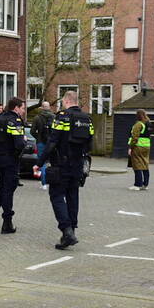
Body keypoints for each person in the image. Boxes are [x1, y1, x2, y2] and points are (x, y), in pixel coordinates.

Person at [37, 90, 94, 249]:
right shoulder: (87, 119)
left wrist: (40, 161)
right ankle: (71, 232)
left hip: (61, 164)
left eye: (62, 102)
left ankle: (66, 230)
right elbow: (90, 145)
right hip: (77, 165)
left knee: (56, 195)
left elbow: (52, 141)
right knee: (72, 196)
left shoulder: (62, 116)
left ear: (67, 101)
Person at [0, 97, 26, 234]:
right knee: (8, 190)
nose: (24, 111)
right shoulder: (14, 121)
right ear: (16, 108)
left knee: (2, 188)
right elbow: (19, 144)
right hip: (11, 160)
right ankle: (7, 223)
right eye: (23, 108)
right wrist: (24, 143)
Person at [128, 109, 152, 191]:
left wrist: (131, 147)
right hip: (147, 146)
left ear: (138, 115)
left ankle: (137, 185)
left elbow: (134, 137)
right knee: (145, 165)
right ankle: (145, 184)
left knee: (137, 165)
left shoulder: (139, 124)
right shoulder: (149, 123)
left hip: (138, 146)